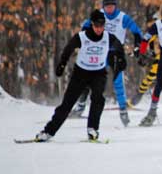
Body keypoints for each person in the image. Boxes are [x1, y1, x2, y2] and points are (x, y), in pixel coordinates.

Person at [34, 10, 126, 142]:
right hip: (81, 73)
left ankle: (92, 129)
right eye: (96, 26)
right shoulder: (82, 37)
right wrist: (62, 64)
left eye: (102, 25)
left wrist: (122, 60)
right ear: (92, 25)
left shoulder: (108, 37)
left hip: (98, 73)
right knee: (67, 104)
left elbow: (119, 48)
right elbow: (68, 49)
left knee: (98, 99)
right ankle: (48, 132)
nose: (99, 29)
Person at [72, 0, 143, 126]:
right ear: (103, 7)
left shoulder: (122, 17)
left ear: (115, 6)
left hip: (116, 53)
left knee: (118, 81)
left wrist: (138, 46)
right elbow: (85, 28)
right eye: (107, 6)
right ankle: (80, 106)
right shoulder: (99, 15)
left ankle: (123, 111)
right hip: (100, 51)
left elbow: (137, 31)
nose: (109, 9)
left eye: (111, 6)